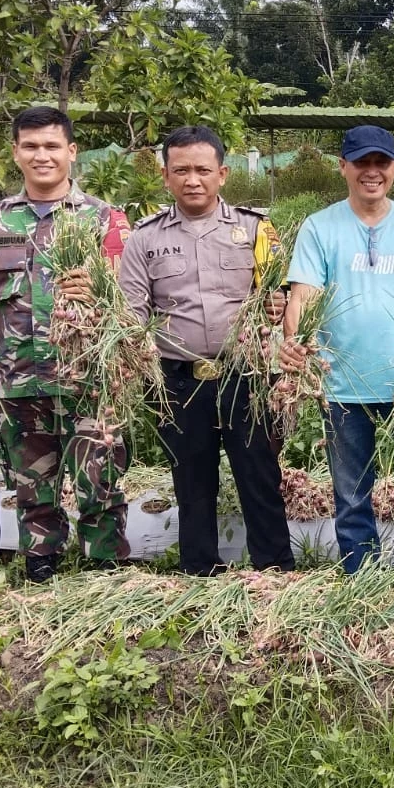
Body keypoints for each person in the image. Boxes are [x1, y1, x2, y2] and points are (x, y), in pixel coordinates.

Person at [0, 105, 132, 583]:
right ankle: (41, 561)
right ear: (15, 153)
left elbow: (131, 295)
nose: (41, 155)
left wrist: (100, 291)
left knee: (100, 477)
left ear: (72, 152)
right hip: (18, 377)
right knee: (31, 481)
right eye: (30, 146)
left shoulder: (106, 220)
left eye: (52, 145)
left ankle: (106, 567)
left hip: (89, 378)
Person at [278, 124, 394, 584]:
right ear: (344, 168)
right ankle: (362, 579)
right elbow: (302, 295)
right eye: (362, 163)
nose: (372, 172)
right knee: (352, 491)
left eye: (381, 163)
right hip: (342, 381)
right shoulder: (320, 227)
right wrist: (297, 345)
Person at [119, 125, 295, 577]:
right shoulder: (144, 238)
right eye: (181, 170)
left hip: (245, 375)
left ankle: (274, 570)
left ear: (223, 173)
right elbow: (133, 309)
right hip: (177, 379)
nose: (191, 180)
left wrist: (276, 302)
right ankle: (199, 570)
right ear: (165, 176)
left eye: (202, 169)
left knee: (259, 476)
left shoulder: (255, 228)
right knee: (192, 480)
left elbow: (278, 291)